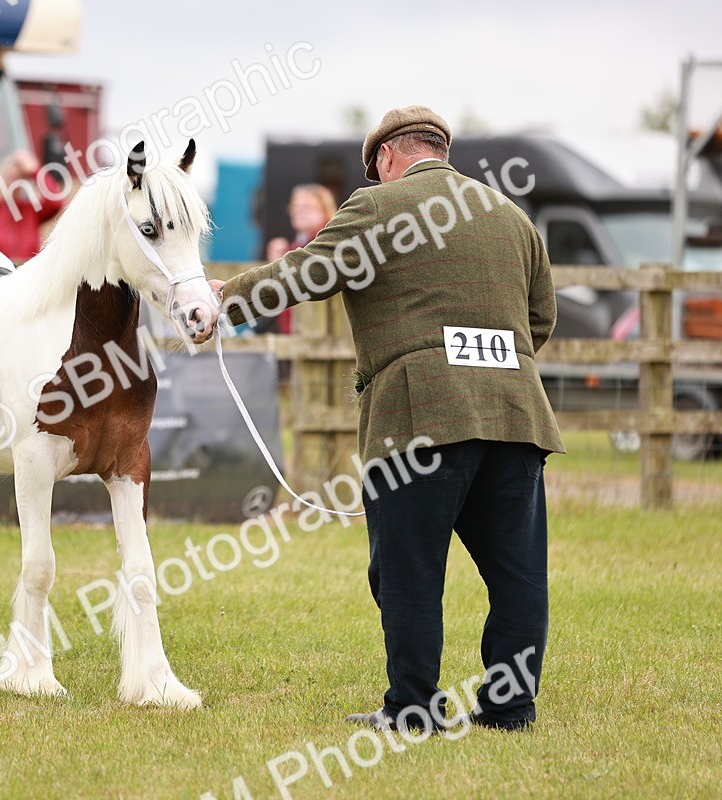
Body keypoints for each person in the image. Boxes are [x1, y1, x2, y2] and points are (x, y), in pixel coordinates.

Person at [211, 106, 564, 732]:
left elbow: (304, 273)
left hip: (419, 416)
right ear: (439, 150)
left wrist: (224, 301)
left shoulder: (378, 206)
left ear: (387, 157)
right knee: (517, 576)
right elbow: (540, 321)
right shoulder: (512, 217)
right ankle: (511, 707)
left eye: (375, 166)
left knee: (409, 572)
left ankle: (414, 708)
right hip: (515, 417)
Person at [261, 184, 339, 335]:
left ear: (324, 211)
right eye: (295, 206)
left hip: (319, 337)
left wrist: (280, 264)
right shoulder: (297, 246)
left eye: (306, 207)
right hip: (298, 335)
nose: (298, 212)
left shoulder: (328, 243)